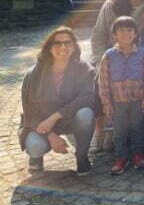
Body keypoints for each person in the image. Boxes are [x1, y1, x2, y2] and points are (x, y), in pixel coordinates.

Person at [90, 0, 144, 153]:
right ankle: (100, 131)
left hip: (138, 57)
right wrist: (102, 61)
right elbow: (98, 35)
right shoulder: (111, 5)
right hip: (111, 55)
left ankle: (130, 132)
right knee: (99, 84)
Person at [19, 27, 95, 175]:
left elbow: (86, 98)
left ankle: (82, 156)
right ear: (49, 48)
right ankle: (36, 158)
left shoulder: (84, 69)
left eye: (68, 43)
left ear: (74, 46)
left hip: (70, 119)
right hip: (42, 123)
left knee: (86, 113)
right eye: (57, 43)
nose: (63, 47)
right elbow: (29, 111)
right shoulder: (34, 74)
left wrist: (56, 116)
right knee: (35, 146)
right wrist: (50, 135)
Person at [98, 16, 144, 175]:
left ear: (135, 34)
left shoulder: (142, 54)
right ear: (115, 34)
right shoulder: (108, 56)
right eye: (121, 31)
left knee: (137, 128)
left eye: (129, 30)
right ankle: (121, 158)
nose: (126, 34)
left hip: (137, 100)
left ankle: (137, 155)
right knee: (119, 130)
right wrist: (106, 103)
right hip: (116, 101)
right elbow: (104, 81)